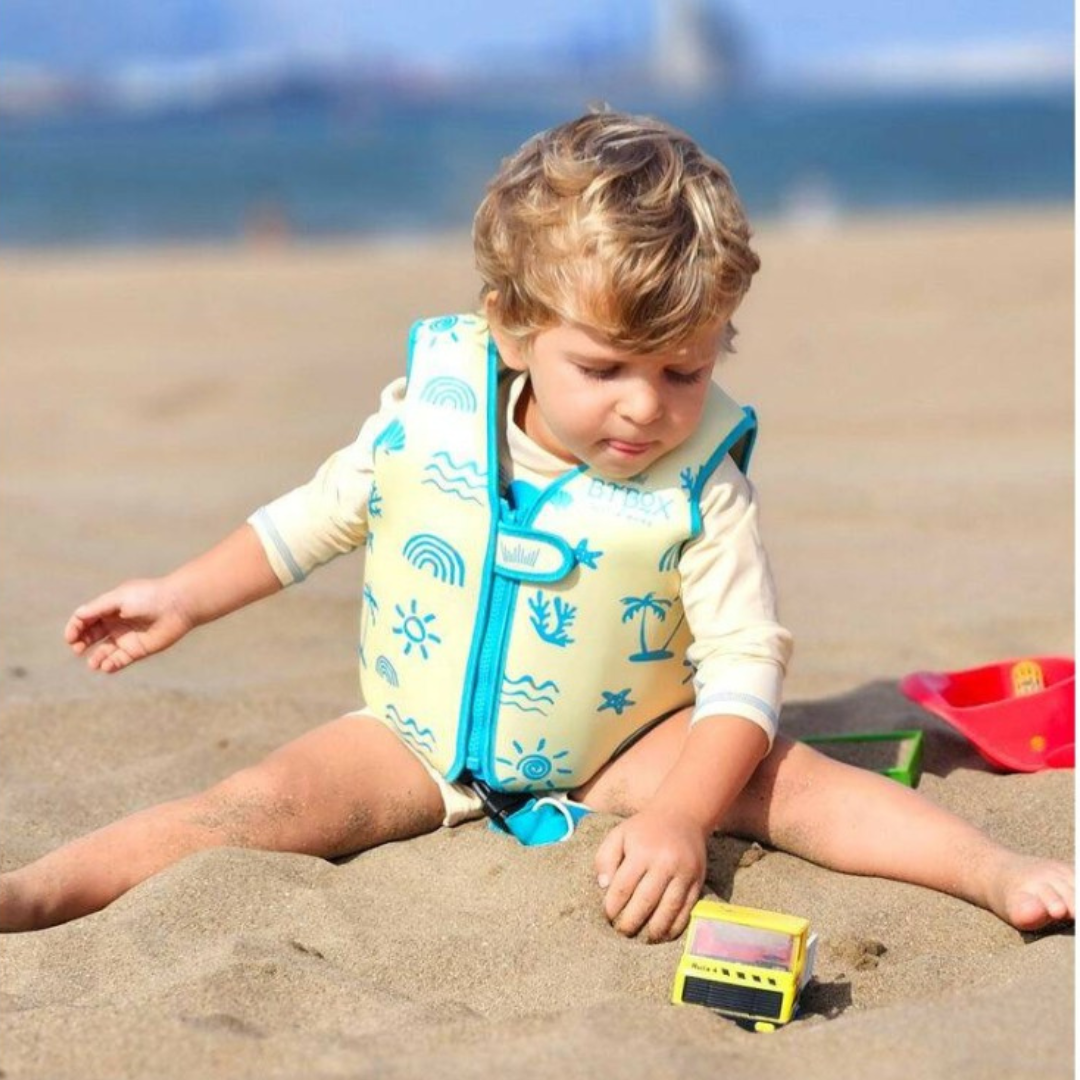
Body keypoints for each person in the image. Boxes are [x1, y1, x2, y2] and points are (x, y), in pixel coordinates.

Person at [1, 110, 1072, 941]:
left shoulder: (701, 484)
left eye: (684, 370)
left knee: (793, 787)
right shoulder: (438, 411)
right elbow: (321, 516)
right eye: (603, 369)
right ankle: (40, 894)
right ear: (511, 331)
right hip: (412, 743)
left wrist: (679, 817)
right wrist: (181, 597)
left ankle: (992, 871)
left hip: (626, 745)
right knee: (251, 805)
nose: (646, 406)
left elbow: (747, 669)